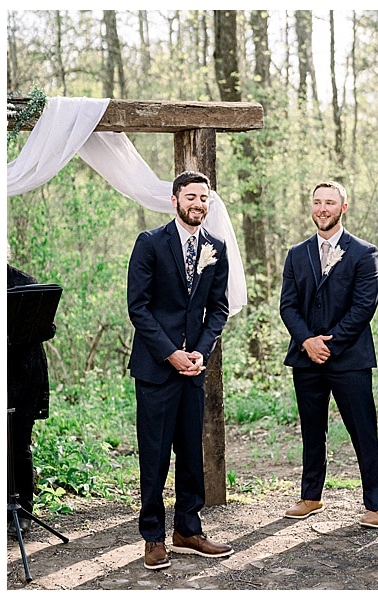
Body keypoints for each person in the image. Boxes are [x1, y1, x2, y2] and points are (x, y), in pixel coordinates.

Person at [127, 170, 233, 570]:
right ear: (174, 200)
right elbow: (138, 307)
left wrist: (201, 352)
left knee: (192, 451)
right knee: (154, 456)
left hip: (194, 369)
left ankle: (188, 529)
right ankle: (153, 536)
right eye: (191, 197)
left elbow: (218, 308)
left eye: (204, 198)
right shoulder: (150, 243)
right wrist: (171, 352)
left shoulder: (216, 247)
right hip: (156, 368)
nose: (198, 204)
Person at [280, 181, 378, 529]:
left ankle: (375, 504)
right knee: (312, 431)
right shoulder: (297, 254)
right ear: (311, 208)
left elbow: (363, 306)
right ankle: (311, 497)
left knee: (363, 431)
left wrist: (330, 343)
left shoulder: (363, 252)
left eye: (330, 202)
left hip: (350, 358)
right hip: (305, 357)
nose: (322, 208)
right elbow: (288, 306)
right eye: (317, 202)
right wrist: (307, 341)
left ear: (343, 207)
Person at [7, 264, 55, 536]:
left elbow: (47, 328)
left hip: (22, 376)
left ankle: (21, 511)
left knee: (17, 442)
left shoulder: (23, 282)